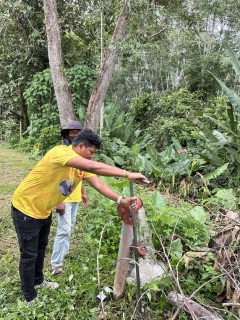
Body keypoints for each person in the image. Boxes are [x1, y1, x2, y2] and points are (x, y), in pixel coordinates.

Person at [11, 128, 147, 306]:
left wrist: (121, 200)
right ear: (80, 145)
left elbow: (98, 183)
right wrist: (126, 174)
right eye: (91, 152)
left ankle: (38, 281)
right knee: (29, 254)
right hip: (26, 208)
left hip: (43, 209)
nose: (92, 157)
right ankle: (29, 295)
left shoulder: (80, 166)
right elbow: (92, 165)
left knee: (41, 248)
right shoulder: (60, 153)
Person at [51, 121, 90, 276]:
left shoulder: (80, 154)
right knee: (64, 229)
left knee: (70, 226)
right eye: (71, 133)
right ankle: (56, 263)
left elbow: (79, 175)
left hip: (74, 197)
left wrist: (83, 193)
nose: (74, 135)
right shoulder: (62, 152)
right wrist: (58, 200)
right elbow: (54, 178)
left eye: (77, 133)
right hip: (63, 197)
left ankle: (64, 252)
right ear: (66, 134)